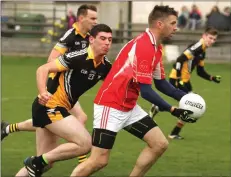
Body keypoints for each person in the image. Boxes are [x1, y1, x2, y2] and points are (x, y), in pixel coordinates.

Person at [70, 5, 196, 177]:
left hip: (128, 107)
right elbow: (146, 91)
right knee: (99, 160)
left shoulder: (156, 48)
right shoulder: (144, 46)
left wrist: (187, 98)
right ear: (160, 24)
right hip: (111, 105)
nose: (176, 27)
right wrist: (173, 109)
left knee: (159, 144)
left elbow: (161, 84)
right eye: (173, 23)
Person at [2, 3, 97, 165]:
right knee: (78, 117)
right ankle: (82, 158)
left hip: (70, 88)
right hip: (59, 88)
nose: (95, 22)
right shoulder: (70, 36)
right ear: (81, 18)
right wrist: (67, 68)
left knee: (46, 124)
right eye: (92, 18)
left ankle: (7, 129)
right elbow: (51, 60)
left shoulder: (89, 37)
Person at [16, 24, 112, 177]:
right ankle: (36, 162)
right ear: (92, 39)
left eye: (109, 39)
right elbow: (43, 69)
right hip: (49, 106)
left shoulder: (105, 66)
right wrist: (42, 92)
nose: (107, 42)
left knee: (45, 164)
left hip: (56, 109)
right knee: (85, 143)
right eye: (102, 38)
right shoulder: (77, 56)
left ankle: (36, 163)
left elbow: (115, 86)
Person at [150, 27, 221, 140]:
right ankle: (172, 130)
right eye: (210, 38)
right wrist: (178, 79)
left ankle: (159, 107)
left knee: (190, 107)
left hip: (185, 81)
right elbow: (179, 59)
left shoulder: (202, 51)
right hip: (178, 79)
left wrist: (212, 78)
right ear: (204, 36)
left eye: (214, 39)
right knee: (190, 107)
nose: (211, 41)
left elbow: (200, 72)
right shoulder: (198, 46)